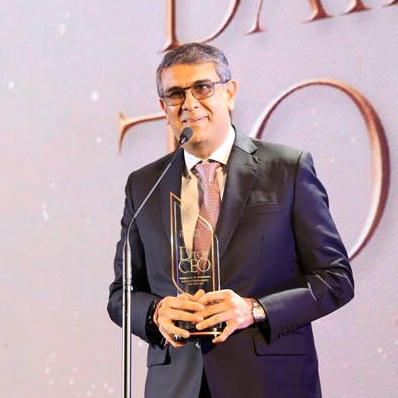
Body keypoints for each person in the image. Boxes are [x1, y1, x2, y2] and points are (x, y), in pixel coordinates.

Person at [107, 43, 354, 397]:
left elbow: (335, 278)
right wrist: (156, 312)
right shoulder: (144, 184)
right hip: (175, 386)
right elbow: (122, 294)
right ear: (164, 108)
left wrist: (255, 310)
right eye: (176, 94)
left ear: (230, 93)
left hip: (269, 383)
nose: (189, 104)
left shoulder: (287, 168)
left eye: (202, 88)